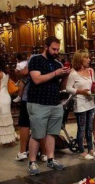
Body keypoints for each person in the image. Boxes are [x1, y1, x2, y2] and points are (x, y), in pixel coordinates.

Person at [27, 36, 70, 175]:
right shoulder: (36, 60)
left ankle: (51, 159)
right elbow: (37, 79)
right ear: (45, 47)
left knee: (52, 133)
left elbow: (61, 87)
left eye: (58, 49)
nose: (56, 52)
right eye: (53, 49)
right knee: (37, 134)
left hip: (55, 102)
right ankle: (32, 162)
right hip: (38, 102)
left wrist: (65, 76)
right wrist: (56, 73)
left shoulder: (58, 64)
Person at [66, 49, 95, 160]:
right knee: (82, 128)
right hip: (80, 103)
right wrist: (81, 92)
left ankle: (90, 149)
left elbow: (93, 84)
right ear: (80, 59)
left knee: (90, 127)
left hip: (90, 102)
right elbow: (68, 88)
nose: (89, 60)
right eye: (86, 57)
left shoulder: (90, 71)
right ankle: (82, 151)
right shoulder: (73, 73)